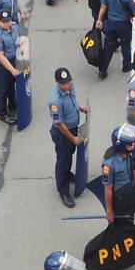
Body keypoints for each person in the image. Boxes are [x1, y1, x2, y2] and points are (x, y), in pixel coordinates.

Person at [47, 67, 87, 208]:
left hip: (73, 128)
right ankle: (63, 191)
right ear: (57, 82)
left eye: (68, 82)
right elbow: (60, 125)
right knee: (63, 159)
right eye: (63, 83)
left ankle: (67, 174)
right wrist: (73, 138)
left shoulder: (70, 86)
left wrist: (80, 108)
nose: (67, 85)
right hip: (63, 133)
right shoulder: (55, 101)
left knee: (69, 154)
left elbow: (72, 99)